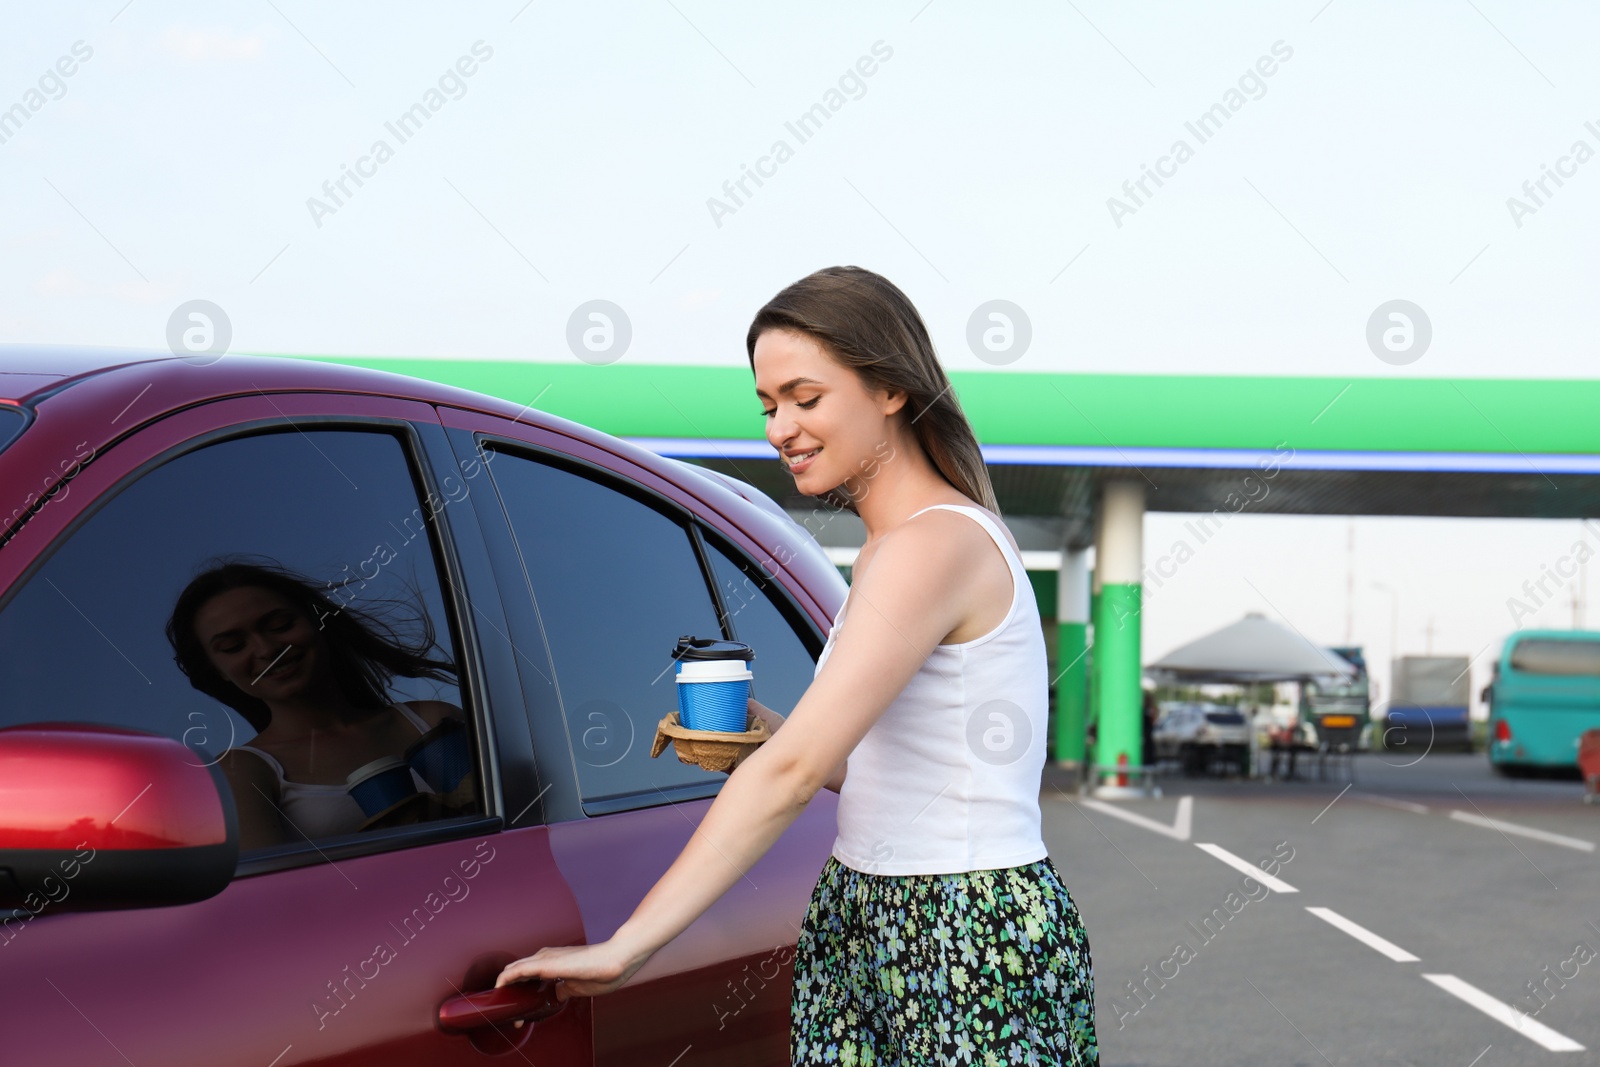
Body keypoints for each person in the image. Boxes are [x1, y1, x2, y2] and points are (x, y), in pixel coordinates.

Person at [495, 265, 1099, 1064]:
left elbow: (796, 773)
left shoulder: (933, 544)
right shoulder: (894, 549)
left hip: (960, 922)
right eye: (768, 404)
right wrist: (769, 734)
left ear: (889, 388)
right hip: (870, 906)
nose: (780, 427)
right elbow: (907, 770)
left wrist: (629, 944)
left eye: (804, 397)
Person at [165, 558, 472, 848]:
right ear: (219, 673)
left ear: (317, 622)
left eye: (282, 625)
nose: (268, 648)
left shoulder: (431, 720)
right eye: (234, 646)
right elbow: (271, 894)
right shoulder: (242, 770)